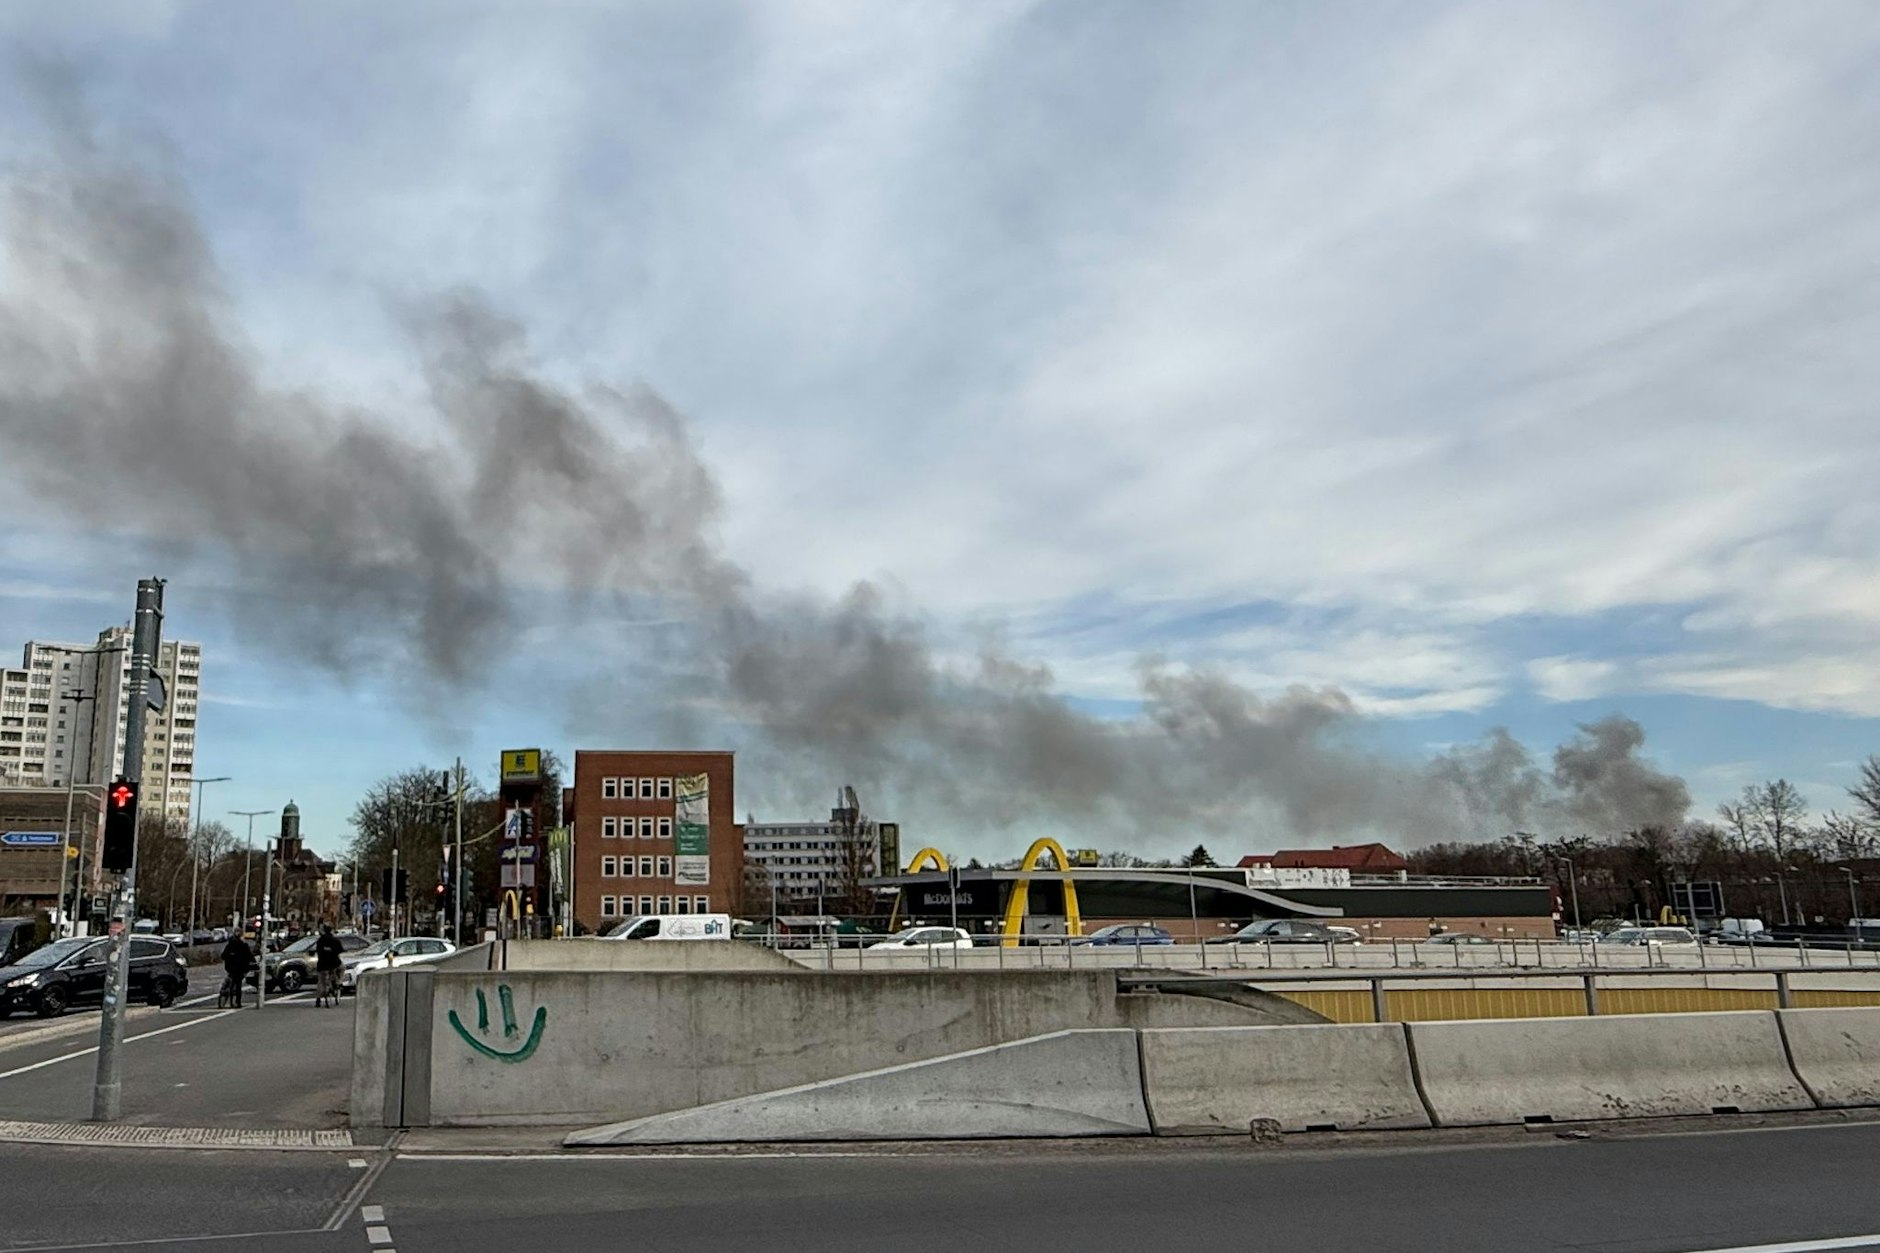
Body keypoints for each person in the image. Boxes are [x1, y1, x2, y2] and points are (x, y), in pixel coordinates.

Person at [313, 924, 344, 1007]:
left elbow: (318, 950)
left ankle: (318, 1000)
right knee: (342, 969)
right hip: (334, 964)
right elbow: (341, 950)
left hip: (322, 965)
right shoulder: (335, 940)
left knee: (321, 981)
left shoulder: (320, 941)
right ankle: (339, 982)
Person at [219, 933, 254, 1008]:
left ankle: (230, 1000)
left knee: (231, 984)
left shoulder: (230, 946)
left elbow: (223, 956)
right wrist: (254, 965)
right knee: (238, 986)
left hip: (231, 969)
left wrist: (229, 959)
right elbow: (250, 956)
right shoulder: (243, 945)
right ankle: (237, 1002)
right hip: (241, 969)